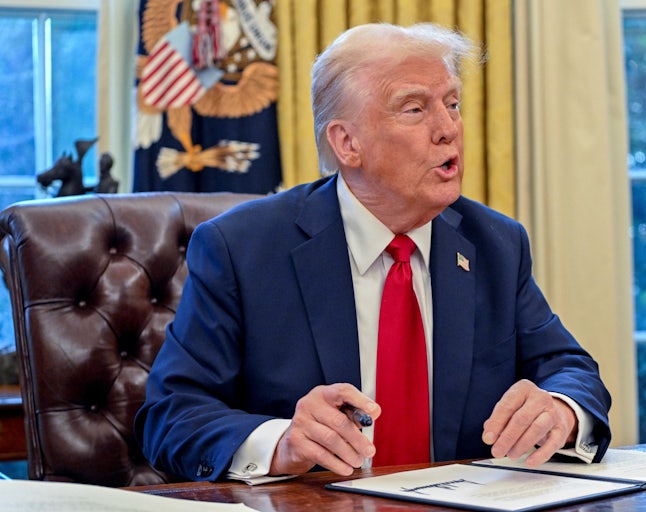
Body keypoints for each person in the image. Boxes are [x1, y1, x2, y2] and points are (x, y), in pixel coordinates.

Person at [136, 22, 612, 484]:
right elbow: (170, 414)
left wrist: (562, 410)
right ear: (347, 143)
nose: (449, 129)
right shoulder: (240, 248)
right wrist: (282, 444)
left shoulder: (495, 244)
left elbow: (570, 369)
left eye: (452, 103)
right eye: (414, 109)